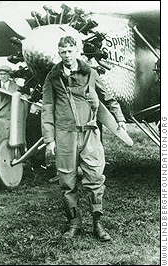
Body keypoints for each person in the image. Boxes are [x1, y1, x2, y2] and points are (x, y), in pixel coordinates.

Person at [41, 36, 126, 241]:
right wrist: (49, 139)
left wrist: (120, 120)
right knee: (66, 181)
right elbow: (47, 108)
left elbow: (109, 97)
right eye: (63, 52)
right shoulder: (53, 77)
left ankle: (97, 224)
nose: (67, 55)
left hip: (89, 133)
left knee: (95, 178)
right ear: (59, 53)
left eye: (70, 51)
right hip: (65, 135)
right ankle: (74, 224)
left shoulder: (91, 73)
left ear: (77, 50)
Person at [0, 65, 20, 149]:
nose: (3, 76)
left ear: (9, 75)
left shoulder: (17, 88)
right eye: (1, 74)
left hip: (10, 124)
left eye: (5, 74)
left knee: (7, 148)